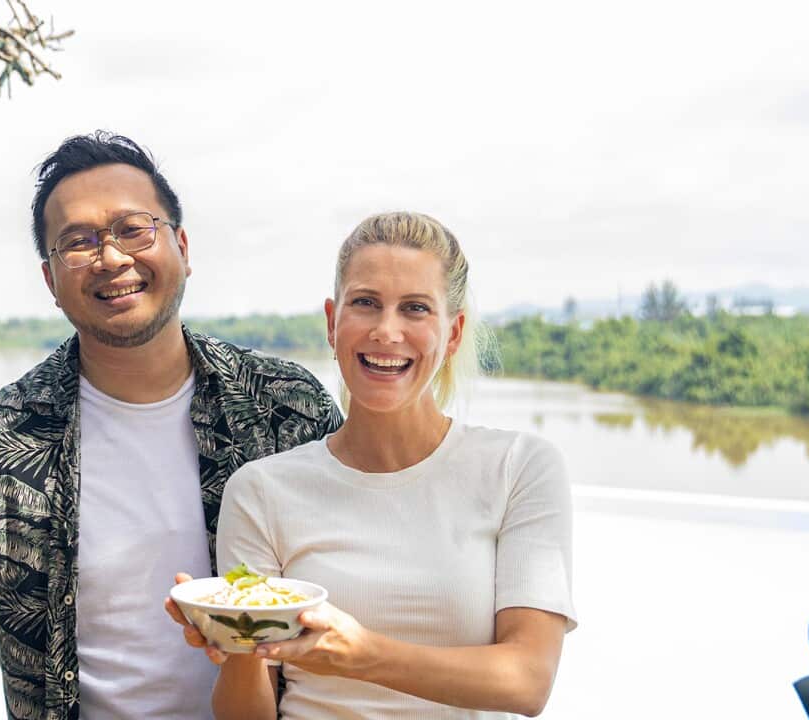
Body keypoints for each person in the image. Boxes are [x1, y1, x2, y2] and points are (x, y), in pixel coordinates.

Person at [0, 132, 342, 720]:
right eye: (78, 242)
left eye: (133, 229)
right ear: (51, 280)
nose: (111, 257)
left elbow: (363, 587)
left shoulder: (284, 407)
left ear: (181, 245)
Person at [166, 211, 577, 719]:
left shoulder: (519, 468)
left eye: (415, 309)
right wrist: (239, 639)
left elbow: (527, 681)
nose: (387, 330)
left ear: (453, 335)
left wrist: (360, 654)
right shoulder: (261, 490)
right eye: (366, 303)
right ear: (332, 322)